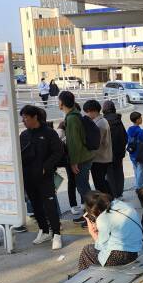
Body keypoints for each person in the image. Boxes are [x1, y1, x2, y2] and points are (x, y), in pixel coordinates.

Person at [19, 105, 64, 250]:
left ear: (35, 117)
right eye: (23, 118)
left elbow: (58, 152)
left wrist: (46, 167)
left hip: (45, 176)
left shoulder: (49, 133)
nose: (24, 121)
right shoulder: (24, 135)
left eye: (26, 117)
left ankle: (56, 234)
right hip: (28, 176)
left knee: (49, 205)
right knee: (35, 205)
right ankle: (44, 231)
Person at [78, 190, 142, 271]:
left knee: (86, 250)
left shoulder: (103, 218)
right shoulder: (123, 205)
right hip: (136, 251)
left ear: (93, 210)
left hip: (120, 257)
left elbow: (100, 246)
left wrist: (92, 231)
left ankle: (84, 277)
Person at [58, 91, 94, 222]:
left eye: (58, 101)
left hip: (81, 159)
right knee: (83, 186)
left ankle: (92, 215)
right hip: (85, 156)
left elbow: (74, 143)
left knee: (83, 187)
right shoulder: (74, 115)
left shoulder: (72, 118)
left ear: (61, 103)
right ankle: (89, 214)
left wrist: (73, 163)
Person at [82, 100, 113, 197]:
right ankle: (111, 199)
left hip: (100, 158)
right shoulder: (102, 121)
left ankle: (106, 203)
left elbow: (96, 144)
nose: (86, 114)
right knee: (102, 181)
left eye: (87, 111)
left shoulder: (98, 124)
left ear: (93, 111)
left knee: (99, 183)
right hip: (104, 157)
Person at [102, 100, 127, 199]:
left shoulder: (104, 121)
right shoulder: (118, 120)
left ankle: (113, 194)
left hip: (108, 153)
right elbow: (124, 136)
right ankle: (120, 193)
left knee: (110, 174)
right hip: (119, 152)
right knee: (119, 172)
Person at [126, 111, 143, 189]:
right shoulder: (141, 131)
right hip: (140, 154)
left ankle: (137, 185)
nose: (141, 119)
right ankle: (139, 188)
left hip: (132, 153)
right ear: (137, 120)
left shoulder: (129, 129)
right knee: (140, 172)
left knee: (136, 170)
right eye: (140, 118)